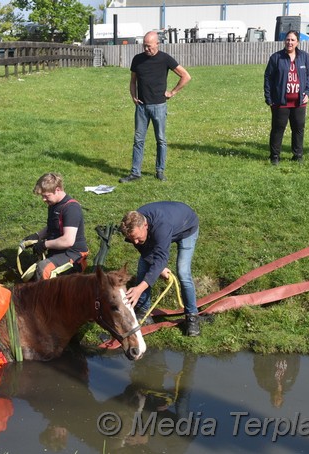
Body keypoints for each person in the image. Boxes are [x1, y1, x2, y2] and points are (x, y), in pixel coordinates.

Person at [119, 31, 191, 183]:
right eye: (144, 46)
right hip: (141, 107)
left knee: (161, 139)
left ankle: (160, 170)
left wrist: (172, 92)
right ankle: (135, 172)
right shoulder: (137, 59)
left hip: (159, 105)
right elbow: (133, 80)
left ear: (157, 44)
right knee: (138, 140)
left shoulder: (165, 59)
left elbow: (186, 76)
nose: (146, 49)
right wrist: (133, 96)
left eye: (149, 46)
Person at [119, 201, 200, 336]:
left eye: (138, 238)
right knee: (144, 265)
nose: (136, 243)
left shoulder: (161, 226)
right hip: (168, 225)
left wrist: (139, 289)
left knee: (183, 272)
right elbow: (146, 252)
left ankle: (192, 316)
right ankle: (144, 311)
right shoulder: (135, 226)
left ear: (145, 225)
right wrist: (159, 268)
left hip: (187, 227)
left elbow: (161, 257)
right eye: (132, 240)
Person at [21, 173, 88, 281]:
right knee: (31, 270)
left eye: (46, 196)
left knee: (43, 269)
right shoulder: (53, 204)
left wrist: (44, 244)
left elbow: (68, 241)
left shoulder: (71, 208)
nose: (43, 199)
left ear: (57, 190)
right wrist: (37, 236)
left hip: (74, 254)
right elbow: (53, 226)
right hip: (58, 251)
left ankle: (45, 297)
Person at [264, 30, 309, 165]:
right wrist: (269, 98)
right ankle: (275, 156)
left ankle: (297, 155)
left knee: (298, 129)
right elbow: (268, 77)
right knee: (278, 129)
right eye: (287, 40)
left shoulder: (304, 57)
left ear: (297, 42)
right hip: (281, 101)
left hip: (299, 102)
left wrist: (307, 93)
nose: (289, 42)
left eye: (292, 40)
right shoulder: (276, 57)